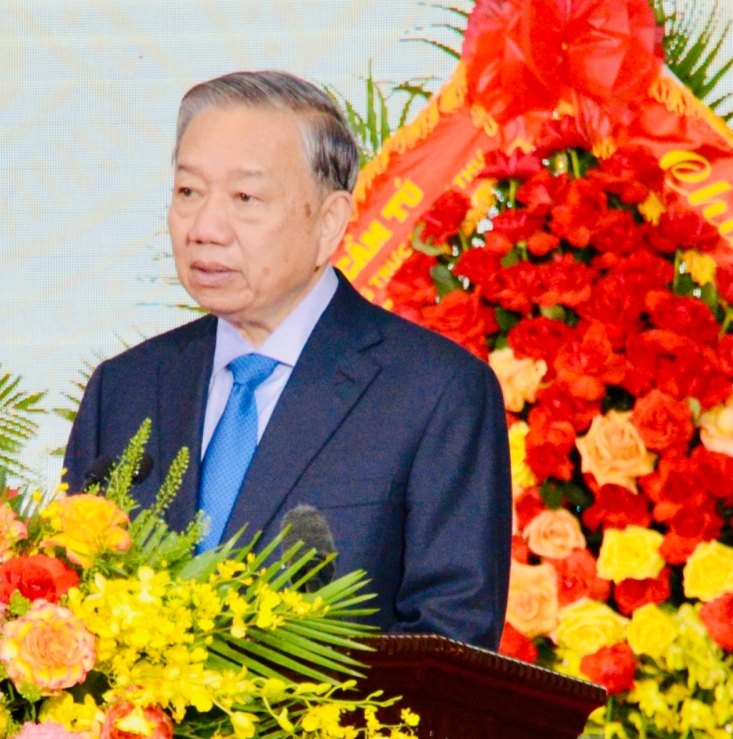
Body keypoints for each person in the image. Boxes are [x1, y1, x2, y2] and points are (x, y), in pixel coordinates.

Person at [64, 71, 511, 650]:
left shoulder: (435, 394)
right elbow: (68, 605)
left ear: (328, 222)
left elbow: (452, 649)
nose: (204, 229)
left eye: (245, 199)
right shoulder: (123, 389)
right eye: (188, 192)